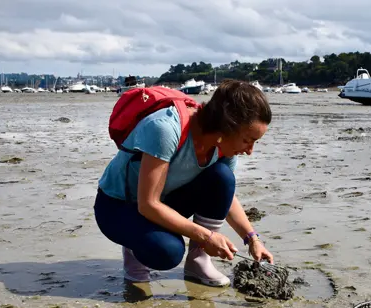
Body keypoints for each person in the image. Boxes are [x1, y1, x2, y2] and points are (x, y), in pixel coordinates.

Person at [94, 80, 274, 287]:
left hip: (166, 198)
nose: (250, 151)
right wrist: (207, 237)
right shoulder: (166, 128)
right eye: (247, 140)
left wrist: (252, 239)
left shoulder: (224, 144)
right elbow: (148, 204)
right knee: (167, 252)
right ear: (227, 126)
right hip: (119, 206)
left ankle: (198, 261)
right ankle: (135, 249)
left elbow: (225, 195)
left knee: (222, 177)